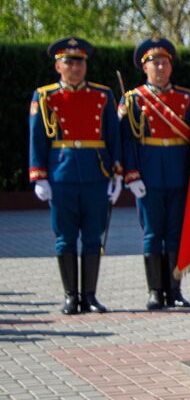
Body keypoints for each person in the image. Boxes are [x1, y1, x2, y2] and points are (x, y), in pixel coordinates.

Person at [29, 38, 122, 315]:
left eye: (79, 61)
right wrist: (39, 176)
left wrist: (117, 174)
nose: (75, 67)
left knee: (93, 237)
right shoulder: (45, 97)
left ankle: (90, 296)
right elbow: (36, 138)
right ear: (58, 66)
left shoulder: (102, 95)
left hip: (96, 174)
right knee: (65, 238)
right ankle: (71, 296)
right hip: (62, 175)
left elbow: (113, 137)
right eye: (69, 62)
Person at [122, 37, 190, 310]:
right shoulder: (133, 99)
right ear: (145, 68)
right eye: (155, 62)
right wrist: (131, 175)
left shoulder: (187, 98)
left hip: (179, 174)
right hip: (148, 176)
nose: (161, 67)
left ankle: (175, 290)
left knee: (176, 233)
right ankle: (155, 290)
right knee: (153, 233)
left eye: (165, 62)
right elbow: (127, 141)